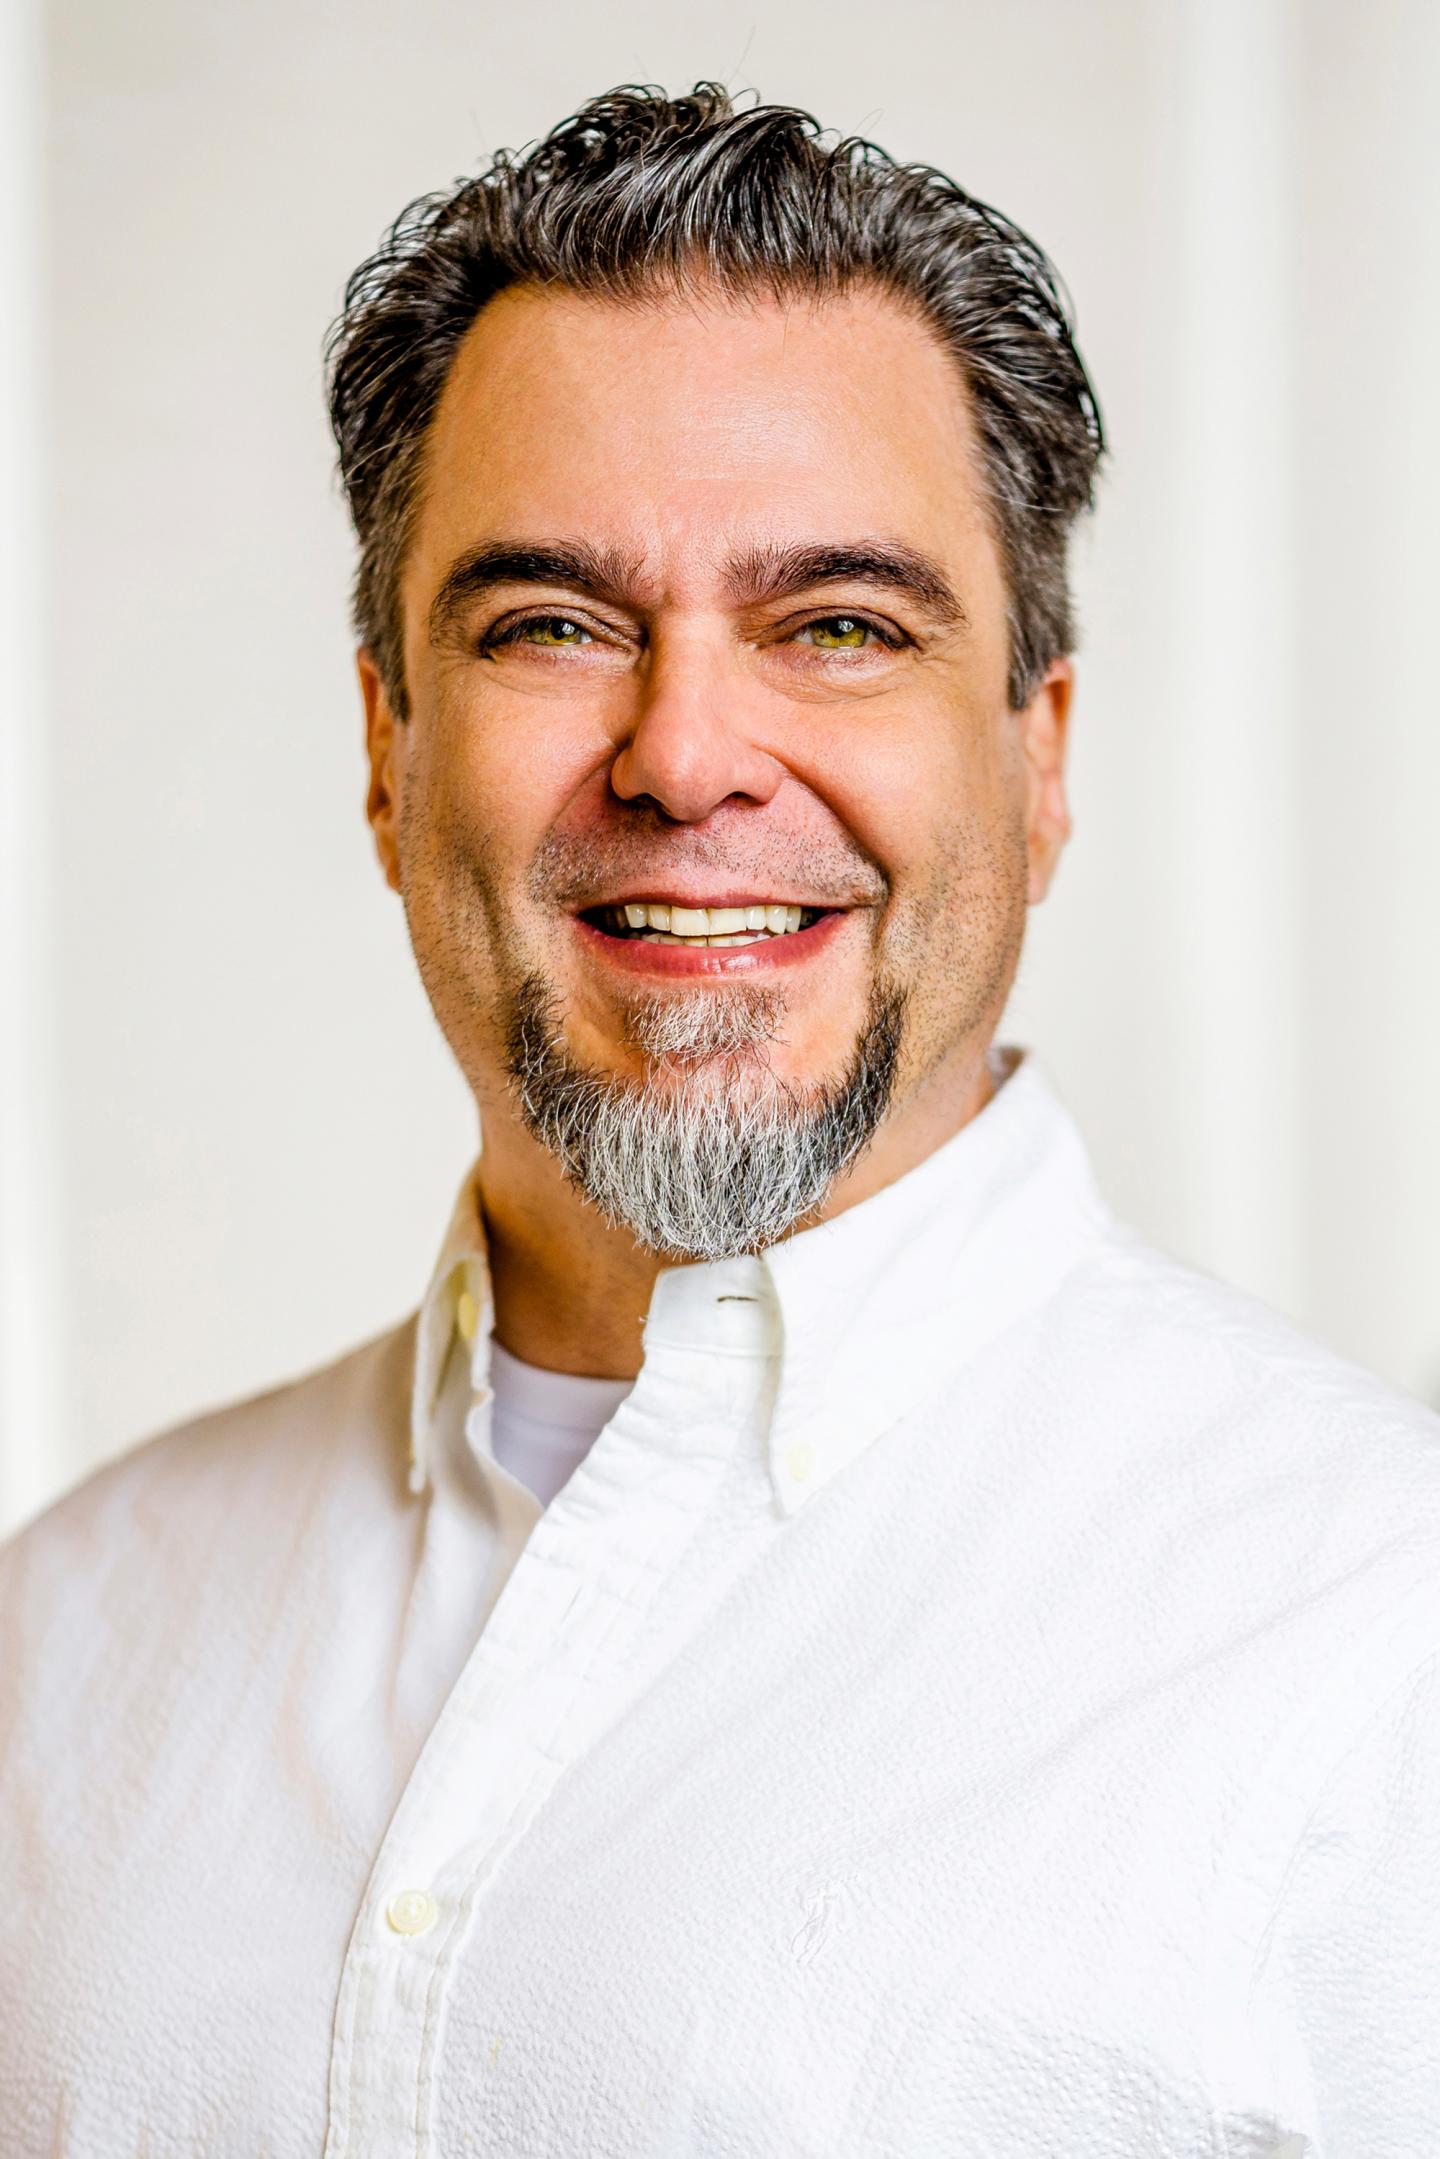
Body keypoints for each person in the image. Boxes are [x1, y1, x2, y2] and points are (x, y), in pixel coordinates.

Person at [2, 79, 1436, 2159]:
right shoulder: (62, 1645)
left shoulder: (1383, 1653)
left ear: (1040, 758)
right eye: (553, 626)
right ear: (389, 750)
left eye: (838, 627)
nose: (684, 755)